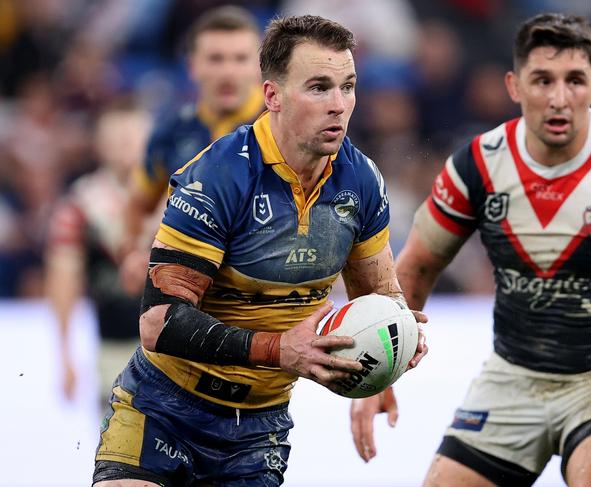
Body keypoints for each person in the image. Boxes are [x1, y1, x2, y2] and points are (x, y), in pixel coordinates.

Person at [93, 15, 427, 486]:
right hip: (163, 406)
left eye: (347, 87)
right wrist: (280, 349)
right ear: (272, 96)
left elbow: (379, 298)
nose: (339, 105)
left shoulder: (362, 181)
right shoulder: (217, 175)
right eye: (318, 88)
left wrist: (394, 346)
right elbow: (157, 320)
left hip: (258, 428)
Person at [351, 12, 591, 487]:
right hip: (512, 376)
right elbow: (416, 270)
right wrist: (378, 372)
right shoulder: (478, 164)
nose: (558, 98)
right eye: (542, 80)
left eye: (574, 80)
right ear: (514, 85)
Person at [120, 5, 265, 295]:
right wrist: (135, 255)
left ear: (259, 66)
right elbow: (137, 204)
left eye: (240, 59)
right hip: (190, 292)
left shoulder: (282, 127)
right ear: (192, 66)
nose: (228, 72)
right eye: (215, 59)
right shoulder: (171, 131)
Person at [45, 101, 151, 403]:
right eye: (116, 139)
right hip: (114, 347)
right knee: (118, 441)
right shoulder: (79, 205)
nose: (124, 145)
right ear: (99, 145)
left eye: (131, 136)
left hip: (178, 348)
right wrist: (64, 353)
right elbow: (62, 278)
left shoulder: (179, 192)